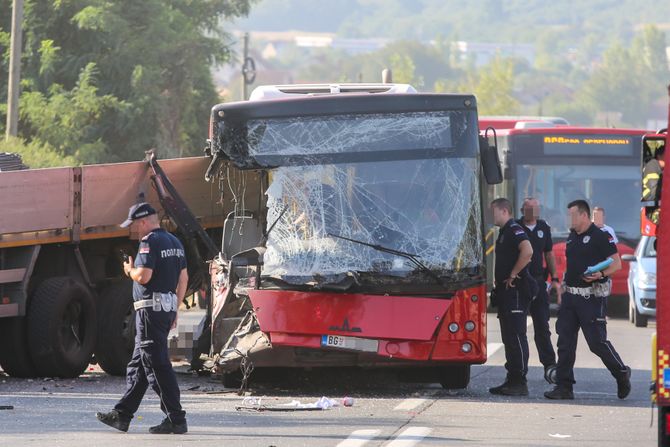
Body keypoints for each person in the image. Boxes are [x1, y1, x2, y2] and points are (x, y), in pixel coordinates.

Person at [97, 202, 189, 434]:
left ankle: (176, 418)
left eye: (136, 225)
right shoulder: (175, 242)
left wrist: (129, 270)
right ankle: (122, 415)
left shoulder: (149, 242)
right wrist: (175, 308)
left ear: (144, 222)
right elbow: (183, 278)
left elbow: (144, 276)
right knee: (138, 365)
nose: (135, 231)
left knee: (156, 365)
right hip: (164, 309)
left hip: (150, 311)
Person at [545, 200, 631, 400]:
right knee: (565, 342)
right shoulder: (572, 236)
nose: (569, 219)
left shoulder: (600, 236)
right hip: (570, 298)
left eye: (572, 215)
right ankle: (564, 387)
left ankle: (621, 373)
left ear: (584, 215)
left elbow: (616, 264)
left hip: (591, 298)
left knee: (596, 343)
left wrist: (600, 273)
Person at [489, 198, 535, 396]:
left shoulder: (515, 229)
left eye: (494, 212)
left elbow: (528, 251)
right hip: (506, 293)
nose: (492, 216)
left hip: (516, 291)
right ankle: (512, 378)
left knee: (516, 335)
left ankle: (519, 380)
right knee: (508, 336)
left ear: (505, 211)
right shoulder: (503, 232)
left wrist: (513, 273)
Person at [516, 197, 558, 382]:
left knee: (542, 326)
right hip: (519, 282)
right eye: (528, 208)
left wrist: (555, 277)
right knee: (517, 328)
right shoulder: (514, 227)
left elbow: (548, 254)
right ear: (522, 210)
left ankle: (550, 366)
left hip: (539, 282)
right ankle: (518, 370)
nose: (531, 211)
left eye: (534, 208)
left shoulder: (543, 228)